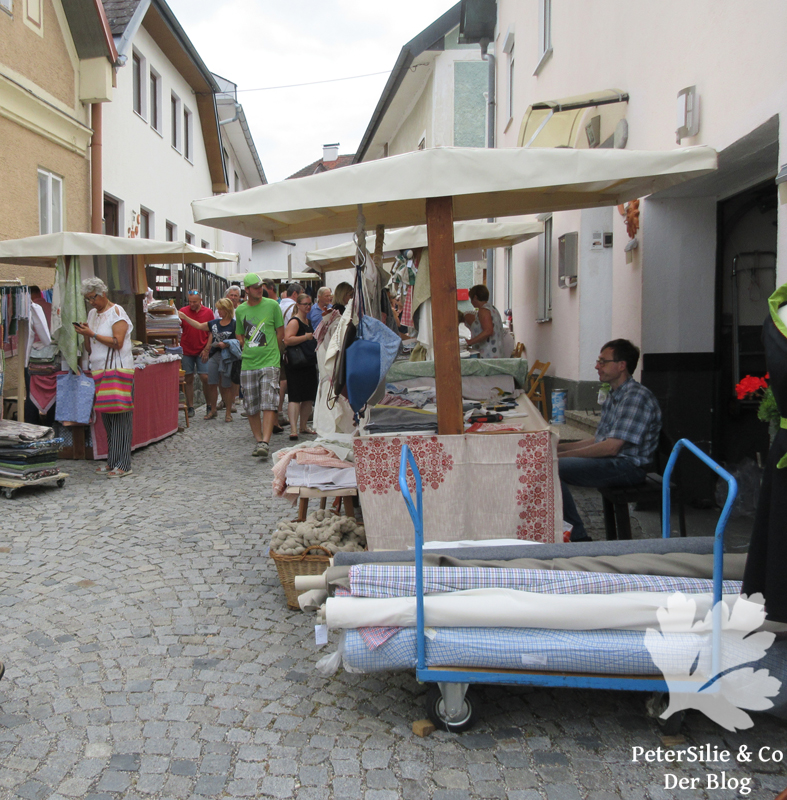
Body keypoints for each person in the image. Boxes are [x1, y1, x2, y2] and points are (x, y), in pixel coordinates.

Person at [558, 339, 661, 542]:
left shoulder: (635, 397)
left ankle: (578, 538)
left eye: (603, 361)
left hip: (629, 467)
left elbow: (611, 447)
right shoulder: (614, 394)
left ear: (621, 365)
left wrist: (562, 455)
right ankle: (572, 534)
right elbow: (599, 440)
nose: (597, 366)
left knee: (551, 468)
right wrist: (557, 447)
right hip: (616, 462)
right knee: (550, 462)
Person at [74, 277, 135, 478]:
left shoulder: (117, 312)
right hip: (100, 370)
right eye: (88, 299)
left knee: (121, 417)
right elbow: (90, 347)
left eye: (93, 297)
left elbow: (117, 342)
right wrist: (85, 334)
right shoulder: (92, 314)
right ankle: (112, 461)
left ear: (103, 293)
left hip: (118, 369)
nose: (91, 302)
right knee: (108, 417)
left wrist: (92, 333)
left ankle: (124, 464)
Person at [235, 272, 284, 459]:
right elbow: (239, 333)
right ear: (246, 290)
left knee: (268, 400)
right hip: (248, 362)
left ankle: (265, 441)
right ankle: (258, 440)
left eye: (260, 286)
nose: (259, 290)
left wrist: (275, 352)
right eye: (255, 287)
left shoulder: (272, 305)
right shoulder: (240, 310)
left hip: (270, 361)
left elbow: (280, 332)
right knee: (251, 404)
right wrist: (243, 344)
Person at [178, 298, 238, 422]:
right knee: (211, 383)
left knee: (226, 385)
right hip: (214, 355)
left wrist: (226, 344)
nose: (218, 311)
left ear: (226, 310)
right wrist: (185, 317)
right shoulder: (214, 323)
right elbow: (199, 326)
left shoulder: (234, 324)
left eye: (220, 309)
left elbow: (240, 341)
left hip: (227, 357)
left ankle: (228, 412)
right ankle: (213, 409)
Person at [284, 293, 319, 440]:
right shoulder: (295, 321)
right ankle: (293, 429)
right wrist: (306, 337)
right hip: (296, 364)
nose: (308, 306)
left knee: (308, 397)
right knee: (295, 396)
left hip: (308, 362)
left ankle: (303, 426)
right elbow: (287, 340)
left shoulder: (308, 320)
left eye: (310, 304)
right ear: (298, 305)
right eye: (305, 304)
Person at [179, 290, 214, 417]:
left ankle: (209, 404)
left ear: (200, 301)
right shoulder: (183, 311)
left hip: (202, 349)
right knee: (188, 378)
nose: (191, 304)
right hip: (187, 349)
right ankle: (190, 406)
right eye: (190, 301)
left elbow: (211, 332)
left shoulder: (208, 312)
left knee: (205, 377)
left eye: (194, 301)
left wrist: (207, 348)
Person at [277, 282, 303, 425]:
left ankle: (278, 412)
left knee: (280, 380)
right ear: (295, 294)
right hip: (289, 347)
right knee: (285, 380)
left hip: (277, 345)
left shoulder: (278, 306)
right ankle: (282, 412)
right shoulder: (293, 308)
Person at [461, 285, 506, 358]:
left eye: (471, 298)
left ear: (475, 297)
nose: (471, 302)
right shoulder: (492, 308)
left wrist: (470, 342)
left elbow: (488, 331)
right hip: (496, 353)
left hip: (488, 354)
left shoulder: (484, 310)